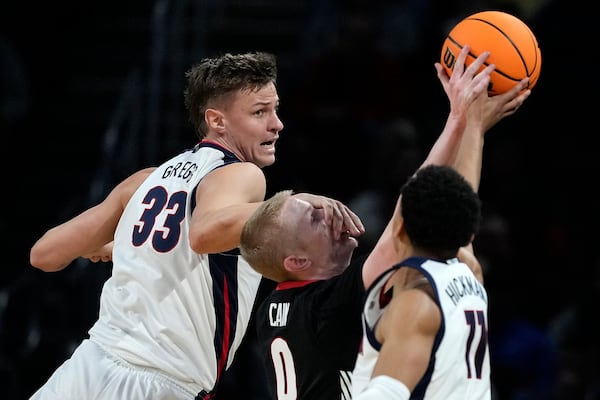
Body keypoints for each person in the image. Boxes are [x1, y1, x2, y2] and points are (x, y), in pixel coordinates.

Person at [28, 51, 364, 400]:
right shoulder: (241, 174)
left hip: (88, 365)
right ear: (217, 121)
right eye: (260, 112)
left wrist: (124, 245)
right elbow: (203, 233)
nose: (277, 123)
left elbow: (46, 253)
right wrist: (294, 203)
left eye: (275, 109)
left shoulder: (145, 180)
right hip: (163, 381)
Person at [238, 44, 531, 399]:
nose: (331, 214)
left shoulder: (273, 310)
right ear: (298, 262)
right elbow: (403, 223)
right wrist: (459, 120)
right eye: (315, 219)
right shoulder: (329, 302)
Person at [351, 164, 487, 399]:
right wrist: (472, 129)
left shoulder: (416, 304)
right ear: (469, 234)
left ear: (399, 229)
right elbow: (460, 200)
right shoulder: (471, 273)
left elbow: (386, 394)